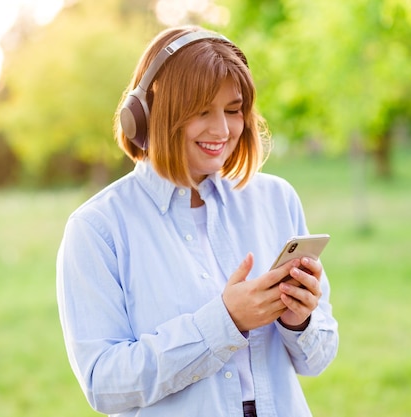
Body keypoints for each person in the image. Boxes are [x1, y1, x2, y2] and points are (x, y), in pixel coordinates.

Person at [56, 25, 338, 417]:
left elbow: (318, 359)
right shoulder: (97, 229)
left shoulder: (277, 199)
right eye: (201, 111)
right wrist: (225, 322)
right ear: (147, 114)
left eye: (232, 110)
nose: (222, 130)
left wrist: (299, 320)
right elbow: (105, 383)